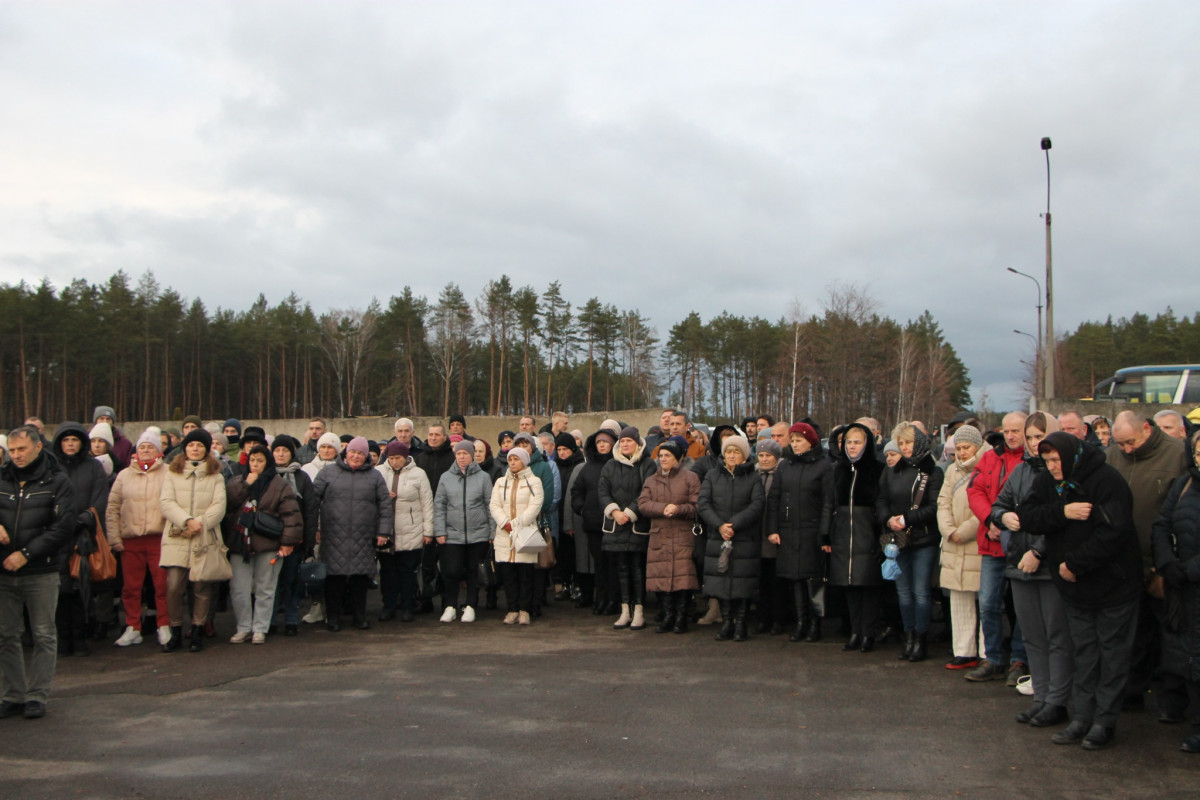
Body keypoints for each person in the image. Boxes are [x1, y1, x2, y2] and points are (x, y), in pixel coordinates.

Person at [1022, 432, 1142, 750]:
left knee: (1112, 654)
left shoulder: (1106, 480)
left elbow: (1114, 531)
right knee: (1085, 653)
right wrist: (1063, 512)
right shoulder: (1050, 483)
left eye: (1056, 460)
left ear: (1071, 456)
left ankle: (1104, 721)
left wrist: (1075, 563)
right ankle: (1081, 717)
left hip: (1114, 584)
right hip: (1074, 587)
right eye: (1046, 461)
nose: (1051, 467)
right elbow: (1028, 517)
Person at [992, 412, 1073, 727]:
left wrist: (1039, 551)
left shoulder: (1063, 472)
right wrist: (1003, 518)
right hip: (1018, 564)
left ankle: (1058, 699)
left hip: (1049, 566)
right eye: (1031, 438)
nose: (1034, 443)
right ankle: (1041, 697)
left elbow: (1060, 518)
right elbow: (1001, 503)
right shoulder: (1021, 470)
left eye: (1040, 437)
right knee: (1033, 637)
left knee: (1056, 636)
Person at [1107, 410, 1191, 714]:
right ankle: (1132, 692)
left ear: (1147, 429)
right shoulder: (1113, 456)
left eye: (1130, 443)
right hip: (1125, 565)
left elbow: (1180, 516)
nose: (1126, 450)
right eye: (1121, 445)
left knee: (1171, 634)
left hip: (1163, 564)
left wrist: (1164, 565)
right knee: (1133, 634)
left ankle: (1173, 700)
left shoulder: (1176, 456)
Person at [0, 426, 75, 720]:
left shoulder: (57, 482)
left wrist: (27, 554)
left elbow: (63, 526)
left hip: (41, 570)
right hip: (4, 571)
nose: (16, 455)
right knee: (6, 634)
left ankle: (37, 695)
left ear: (37, 447)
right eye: (12, 449)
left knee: (44, 634)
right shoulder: (2, 478)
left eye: (21, 449)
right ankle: (12, 694)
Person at [965, 412, 1030, 685]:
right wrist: (991, 518)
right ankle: (993, 658)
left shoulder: (1032, 461)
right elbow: (975, 491)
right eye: (1007, 430)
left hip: (1020, 545)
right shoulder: (990, 457)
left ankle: (1019, 659)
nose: (1011, 435)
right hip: (991, 543)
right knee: (989, 604)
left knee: (1022, 608)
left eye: (1017, 430)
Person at [877, 423, 945, 662]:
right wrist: (889, 519)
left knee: (921, 592)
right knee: (903, 591)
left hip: (924, 538)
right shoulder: (893, 470)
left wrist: (906, 518)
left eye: (909, 442)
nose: (905, 448)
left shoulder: (932, 472)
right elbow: (882, 499)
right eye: (902, 443)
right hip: (899, 538)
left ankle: (921, 638)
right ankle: (909, 636)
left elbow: (933, 507)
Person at [1151, 431, 1200, 754]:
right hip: (1183, 589)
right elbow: (1161, 525)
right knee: (1189, 656)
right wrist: (1167, 561)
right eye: (1197, 451)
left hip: (1191, 578)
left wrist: (1192, 569)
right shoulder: (1183, 485)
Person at [224, 446, 303, 644]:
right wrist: (245, 484)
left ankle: (260, 627)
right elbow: (227, 504)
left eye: (260, 460)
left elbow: (291, 514)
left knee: (265, 588)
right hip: (239, 544)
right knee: (239, 588)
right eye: (252, 460)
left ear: (267, 462)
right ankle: (243, 627)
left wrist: (287, 542)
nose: (256, 464)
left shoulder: (279, 484)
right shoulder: (238, 481)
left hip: (268, 543)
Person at [312, 437, 392, 632]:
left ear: (366, 457)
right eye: (353, 452)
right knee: (334, 579)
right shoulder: (328, 472)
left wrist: (383, 531)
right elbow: (312, 500)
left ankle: (359, 617)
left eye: (361, 453)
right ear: (346, 453)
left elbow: (385, 506)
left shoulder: (375, 476)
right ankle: (333, 618)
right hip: (333, 536)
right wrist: (315, 528)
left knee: (360, 579)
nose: (356, 456)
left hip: (363, 537)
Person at [158, 429, 226, 653]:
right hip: (177, 536)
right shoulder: (172, 473)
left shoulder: (216, 475)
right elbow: (166, 502)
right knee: (174, 586)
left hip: (203, 536)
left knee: (201, 586)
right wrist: (186, 520)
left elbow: (219, 506)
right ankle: (175, 629)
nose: (195, 449)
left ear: (207, 449)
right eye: (191, 445)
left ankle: (197, 628)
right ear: (184, 448)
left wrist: (200, 523)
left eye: (199, 445)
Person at [48, 422, 110, 657]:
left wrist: (84, 518)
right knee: (59, 589)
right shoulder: (52, 468)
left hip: (84, 535)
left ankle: (81, 636)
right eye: (65, 440)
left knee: (81, 587)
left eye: (74, 440)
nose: (70, 444)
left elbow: (100, 498)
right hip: (57, 535)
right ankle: (63, 638)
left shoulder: (93, 467)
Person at [768, 422, 832, 643]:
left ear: (811, 442)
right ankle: (800, 621)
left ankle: (815, 623)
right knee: (794, 579)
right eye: (792, 440)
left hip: (811, 530)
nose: (795, 445)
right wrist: (773, 529)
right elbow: (774, 498)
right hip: (788, 530)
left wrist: (825, 533)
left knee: (812, 579)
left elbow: (827, 503)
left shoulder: (823, 466)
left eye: (799, 440)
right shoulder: (785, 466)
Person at [823, 423, 885, 652]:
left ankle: (869, 633)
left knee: (867, 586)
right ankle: (855, 631)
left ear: (867, 443)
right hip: (842, 534)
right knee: (849, 586)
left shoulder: (877, 469)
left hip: (867, 533)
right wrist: (825, 535)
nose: (852, 446)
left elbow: (882, 504)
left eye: (857, 442)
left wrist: (882, 537)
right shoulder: (837, 469)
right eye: (849, 442)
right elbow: (829, 504)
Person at [107, 429, 171, 648]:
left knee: (162, 586)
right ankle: (133, 627)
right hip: (131, 539)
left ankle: (164, 624)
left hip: (159, 538)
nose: (145, 450)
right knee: (131, 588)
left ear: (159, 451)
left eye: (150, 446)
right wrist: (114, 538)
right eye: (142, 446)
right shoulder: (124, 475)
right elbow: (113, 507)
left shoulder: (169, 473)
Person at [699, 434, 765, 642]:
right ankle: (727, 622)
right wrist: (719, 525)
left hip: (744, 537)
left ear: (744, 455)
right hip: (718, 537)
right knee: (722, 582)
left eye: (736, 451)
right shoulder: (712, 475)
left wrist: (734, 525)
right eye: (728, 451)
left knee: (742, 583)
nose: (732, 455)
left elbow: (757, 505)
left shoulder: (753, 477)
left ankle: (741, 623)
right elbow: (703, 503)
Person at [638, 436, 701, 634]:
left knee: (683, 579)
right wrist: (663, 508)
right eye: (661, 455)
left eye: (667, 455)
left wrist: (679, 509)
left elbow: (697, 506)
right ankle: (667, 616)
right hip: (660, 535)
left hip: (683, 535)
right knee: (662, 578)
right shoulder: (651, 480)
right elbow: (643, 504)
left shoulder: (690, 478)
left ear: (677, 458)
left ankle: (681, 617)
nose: (663, 459)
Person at [936, 423, 984, 670]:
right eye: (959, 448)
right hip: (954, 541)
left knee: (984, 601)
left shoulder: (987, 467)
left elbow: (988, 506)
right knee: (959, 599)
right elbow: (943, 502)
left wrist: (963, 532)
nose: (962, 453)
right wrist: (949, 530)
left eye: (966, 447)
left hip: (977, 543)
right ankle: (964, 651)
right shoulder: (952, 471)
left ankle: (987, 652)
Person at [598, 427, 655, 630]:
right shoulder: (610, 466)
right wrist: (614, 512)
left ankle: (639, 610)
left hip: (637, 524)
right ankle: (625, 610)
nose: (625, 445)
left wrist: (630, 512)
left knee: (637, 569)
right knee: (621, 569)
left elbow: (647, 490)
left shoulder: (647, 464)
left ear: (638, 443)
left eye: (629, 441)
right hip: (616, 525)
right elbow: (603, 491)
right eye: (622, 442)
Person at [269, 435, 318, 636]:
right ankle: (269, 620)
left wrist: (308, 539)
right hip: (269, 538)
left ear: (292, 453)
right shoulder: (267, 475)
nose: (281, 454)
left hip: (294, 539)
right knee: (269, 584)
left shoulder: (301, 477)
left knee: (291, 581)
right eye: (277, 450)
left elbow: (310, 509)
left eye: (285, 450)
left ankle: (290, 619)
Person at [490, 447, 544, 625]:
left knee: (525, 574)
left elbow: (535, 505)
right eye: (510, 459)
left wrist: (515, 524)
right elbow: (494, 505)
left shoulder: (534, 481)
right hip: (504, 534)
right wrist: (504, 522)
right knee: (508, 575)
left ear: (524, 461)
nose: (512, 462)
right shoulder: (499, 482)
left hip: (524, 533)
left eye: (516, 459)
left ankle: (524, 610)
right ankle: (512, 609)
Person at [571, 427, 617, 615]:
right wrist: (582, 509)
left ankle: (613, 600)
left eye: (605, 441)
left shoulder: (618, 465)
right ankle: (601, 598)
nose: (602, 445)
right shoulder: (587, 468)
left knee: (613, 565)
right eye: (599, 442)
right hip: (593, 524)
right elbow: (576, 492)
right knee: (599, 564)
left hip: (615, 524)